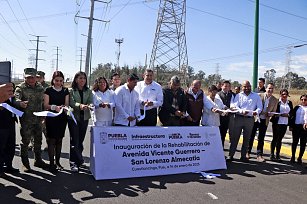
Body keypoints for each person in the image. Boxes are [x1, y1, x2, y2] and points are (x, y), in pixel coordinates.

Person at [14, 68, 47, 172]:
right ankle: (25, 164)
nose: (30, 79)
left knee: (38, 141)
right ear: (25, 77)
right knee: (25, 142)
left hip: (38, 119)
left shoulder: (40, 87)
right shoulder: (21, 88)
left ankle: (38, 160)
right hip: (26, 120)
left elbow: (42, 101)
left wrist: (44, 114)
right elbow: (16, 98)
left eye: (32, 77)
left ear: (35, 77)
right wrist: (20, 103)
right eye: (28, 77)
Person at [227, 80, 262, 162]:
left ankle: (243, 156)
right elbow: (235, 106)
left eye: (248, 86)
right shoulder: (238, 96)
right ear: (242, 87)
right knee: (235, 138)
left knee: (247, 139)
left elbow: (259, 107)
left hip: (250, 119)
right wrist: (241, 111)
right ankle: (231, 155)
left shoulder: (256, 96)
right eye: (245, 86)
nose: (247, 88)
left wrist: (256, 112)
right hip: (239, 118)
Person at [44, 71, 69, 173]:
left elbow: (67, 104)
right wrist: (55, 107)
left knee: (59, 140)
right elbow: (46, 105)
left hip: (62, 118)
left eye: (61, 81)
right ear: (53, 80)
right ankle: (51, 164)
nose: (59, 82)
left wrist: (64, 107)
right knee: (51, 141)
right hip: (51, 118)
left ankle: (58, 162)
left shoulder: (65, 91)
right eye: (56, 80)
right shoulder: (48, 90)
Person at [68, 71, 93, 172]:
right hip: (73, 118)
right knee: (74, 140)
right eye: (80, 78)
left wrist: (89, 105)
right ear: (76, 79)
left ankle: (79, 160)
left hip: (84, 118)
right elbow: (71, 102)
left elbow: (90, 101)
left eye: (84, 78)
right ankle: (73, 163)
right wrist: (80, 105)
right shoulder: (71, 90)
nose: (82, 80)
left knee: (80, 141)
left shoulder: (88, 91)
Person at [248, 83, 278, 162]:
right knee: (251, 136)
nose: (270, 90)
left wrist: (270, 114)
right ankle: (248, 152)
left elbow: (274, 111)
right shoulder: (259, 95)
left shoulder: (275, 100)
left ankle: (259, 155)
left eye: (272, 88)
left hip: (265, 120)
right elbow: (253, 106)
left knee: (261, 138)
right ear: (266, 88)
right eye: (269, 88)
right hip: (255, 119)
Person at [270, 89, 293, 161]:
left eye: (286, 94)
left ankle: (277, 154)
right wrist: (279, 114)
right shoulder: (277, 102)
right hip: (277, 123)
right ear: (280, 95)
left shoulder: (289, 103)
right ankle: (272, 154)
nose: (284, 95)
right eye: (283, 94)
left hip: (285, 123)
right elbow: (273, 111)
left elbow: (292, 112)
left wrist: (288, 115)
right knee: (275, 138)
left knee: (280, 139)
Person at [0, 95, 19, 175]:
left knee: (11, 146)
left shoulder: (12, 97)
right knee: (1, 147)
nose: (11, 90)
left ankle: (9, 166)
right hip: (2, 124)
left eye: (12, 88)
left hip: (11, 123)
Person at [289, 94, 307, 164]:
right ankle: (293, 157)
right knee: (294, 142)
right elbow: (292, 117)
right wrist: (291, 125)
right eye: (302, 99)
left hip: (304, 128)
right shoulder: (297, 107)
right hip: (296, 127)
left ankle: (299, 158)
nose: (303, 101)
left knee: (303, 143)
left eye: (305, 100)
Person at [217, 80, 235, 148]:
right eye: (225, 86)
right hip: (219, 117)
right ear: (222, 86)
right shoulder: (218, 94)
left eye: (228, 86)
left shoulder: (231, 95)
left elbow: (232, 103)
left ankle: (221, 149)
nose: (226, 87)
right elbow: (219, 104)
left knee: (224, 133)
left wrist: (232, 108)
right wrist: (227, 109)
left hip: (227, 117)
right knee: (218, 134)